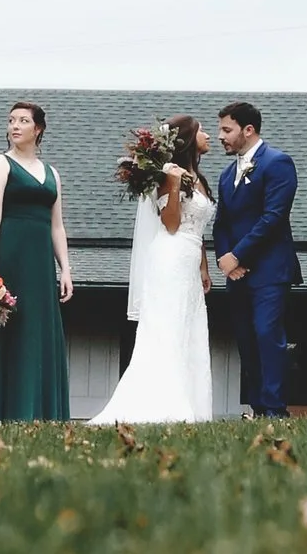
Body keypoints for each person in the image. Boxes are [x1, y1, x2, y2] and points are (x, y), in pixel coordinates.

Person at [93, 116, 216, 427]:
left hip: (189, 261)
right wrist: (173, 186)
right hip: (170, 259)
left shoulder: (198, 177)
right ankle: (165, 404)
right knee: (167, 329)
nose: (208, 134)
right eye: (202, 129)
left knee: (190, 330)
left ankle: (194, 404)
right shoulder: (169, 176)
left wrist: (203, 267)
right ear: (187, 139)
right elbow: (172, 224)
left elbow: (196, 228)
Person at [0, 99, 73, 420]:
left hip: (39, 264)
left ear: (38, 129)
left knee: (36, 330)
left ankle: (36, 412)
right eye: (11, 121)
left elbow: (57, 224)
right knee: (5, 327)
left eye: (23, 121)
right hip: (9, 254)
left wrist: (65, 268)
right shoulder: (0, 164)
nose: (15, 126)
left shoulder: (52, 174)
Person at [211, 101, 301, 417]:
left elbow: (273, 217)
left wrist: (238, 254)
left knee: (267, 335)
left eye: (226, 129)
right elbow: (221, 222)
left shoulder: (278, 163)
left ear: (248, 130)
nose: (219, 136)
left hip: (271, 270)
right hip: (237, 273)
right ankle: (259, 408)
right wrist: (225, 257)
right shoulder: (226, 175)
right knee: (246, 341)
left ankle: (276, 410)